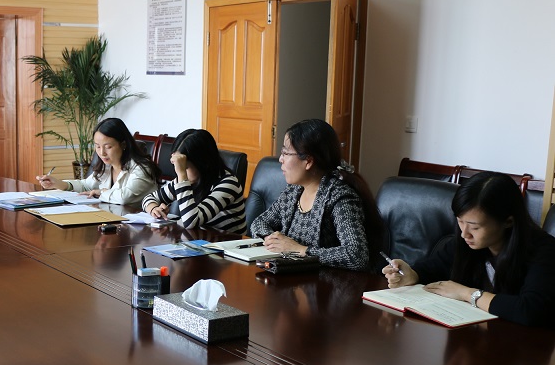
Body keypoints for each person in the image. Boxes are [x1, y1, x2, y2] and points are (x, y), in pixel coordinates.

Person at [383, 171, 555, 327]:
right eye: (460, 221)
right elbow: (434, 267)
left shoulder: (544, 250)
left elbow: (530, 310)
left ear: (508, 222)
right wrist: (412, 275)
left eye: (475, 227)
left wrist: (467, 294)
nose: (464, 233)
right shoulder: (465, 242)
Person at [249, 118, 381, 271]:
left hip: (328, 282)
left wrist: (301, 250)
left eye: (286, 153)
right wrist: (272, 240)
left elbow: (357, 256)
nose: (280, 159)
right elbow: (259, 223)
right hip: (294, 276)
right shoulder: (294, 191)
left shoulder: (340, 197)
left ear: (308, 161)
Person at [142, 128, 246, 233]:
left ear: (203, 163)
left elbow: (191, 222)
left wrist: (182, 175)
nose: (179, 172)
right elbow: (149, 198)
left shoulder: (229, 184)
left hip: (228, 241)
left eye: (184, 167)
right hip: (199, 240)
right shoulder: (189, 179)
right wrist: (154, 209)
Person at [35, 117, 160, 204]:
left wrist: (101, 192)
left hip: (141, 229)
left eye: (108, 147)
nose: (101, 153)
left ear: (123, 144)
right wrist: (57, 183)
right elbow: (86, 185)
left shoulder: (141, 168)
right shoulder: (107, 166)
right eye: (97, 146)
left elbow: (124, 197)